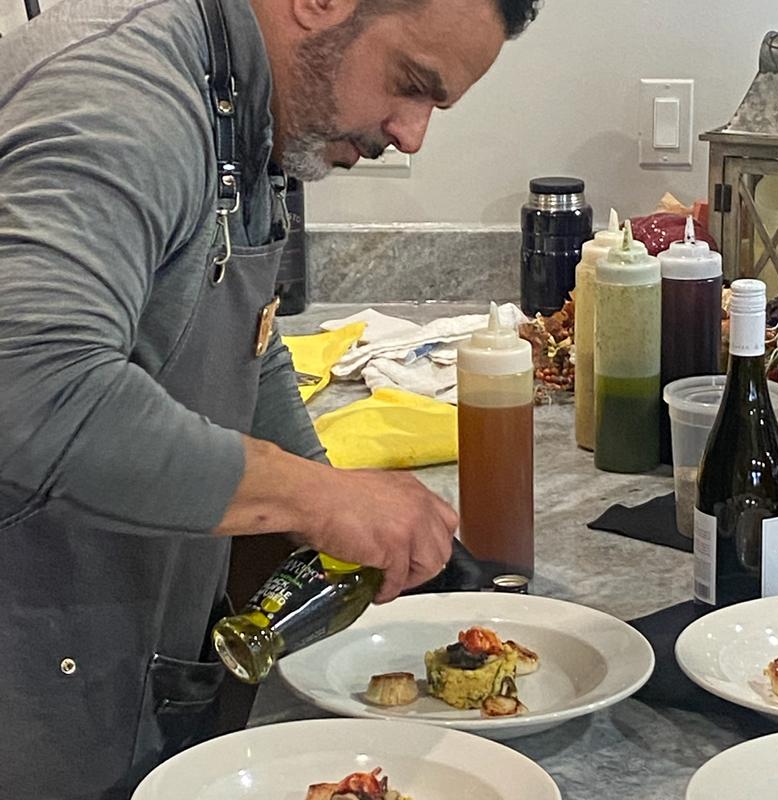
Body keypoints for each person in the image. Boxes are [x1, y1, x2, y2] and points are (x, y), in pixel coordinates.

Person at [0, 0, 539, 796]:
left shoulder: (243, 110)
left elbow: (243, 342)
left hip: (114, 653)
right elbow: (32, 383)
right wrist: (317, 497)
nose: (411, 134)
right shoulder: (118, 95)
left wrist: (336, 508)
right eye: (410, 84)